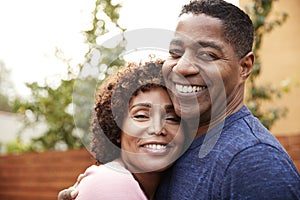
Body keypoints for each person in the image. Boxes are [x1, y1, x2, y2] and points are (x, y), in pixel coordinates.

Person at [59, 0, 300, 199]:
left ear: (245, 67)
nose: (183, 67)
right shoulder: (176, 148)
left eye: (207, 54)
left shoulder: (252, 161)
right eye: (175, 52)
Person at [58, 60, 189, 200]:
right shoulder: (112, 182)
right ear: (117, 129)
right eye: (141, 116)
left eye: (172, 118)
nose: (158, 129)